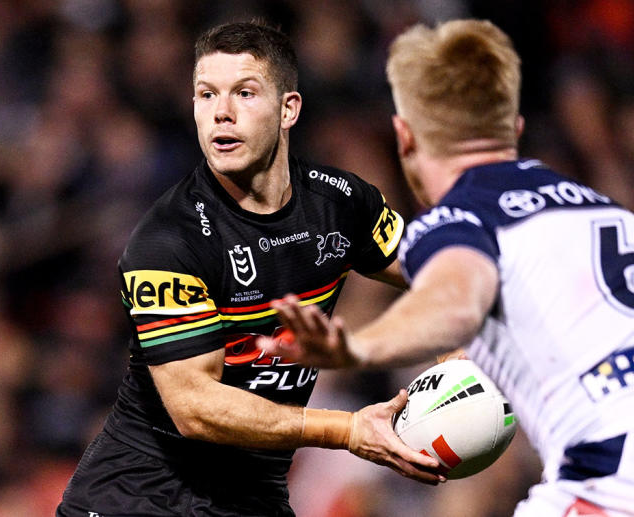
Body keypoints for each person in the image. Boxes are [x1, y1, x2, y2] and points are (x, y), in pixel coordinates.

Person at [259, 19, 634, 517]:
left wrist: (358, 347)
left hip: (625, 473)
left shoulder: (456, 220)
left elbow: (455, 298)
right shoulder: (607, 209)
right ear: (512, 127)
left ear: (405, 137)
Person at [56, 20, 442, 517]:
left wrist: (455, 347)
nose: (222, 112)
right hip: (136, 499)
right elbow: (195, 406)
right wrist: (346, 430)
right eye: (206, 94)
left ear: (288, 109)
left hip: (252, 499)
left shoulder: (342, 204)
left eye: (244, 92)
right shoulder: (167, 240)